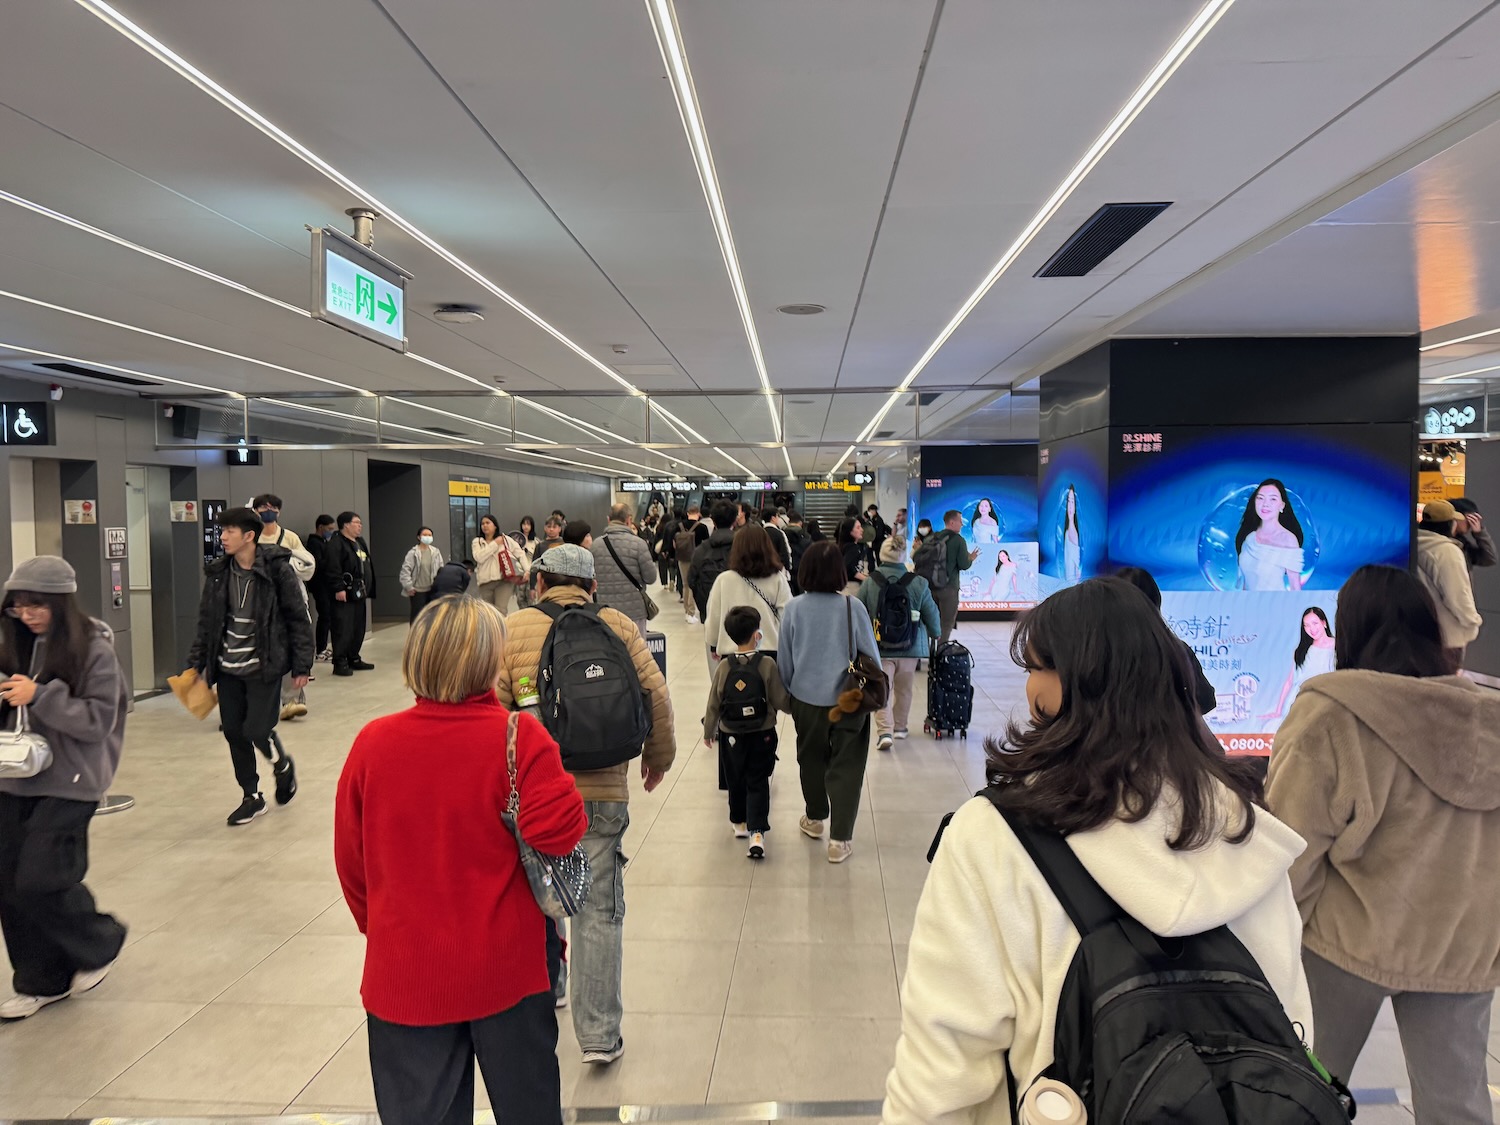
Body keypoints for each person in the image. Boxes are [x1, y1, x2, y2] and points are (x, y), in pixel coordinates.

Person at [883, 578, 1312, 1121]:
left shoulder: (995, 834)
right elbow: (1291, 1025)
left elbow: (940, 1072)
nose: (1029, 687)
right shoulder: (1243, 828)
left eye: (1035, 669)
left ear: (1074, 684)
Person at [336, 595, 587, 1125]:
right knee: (529, 1112)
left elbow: (352, 865)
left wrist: (386, 929)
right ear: (489, 662)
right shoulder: (519, 737)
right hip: (507, 971)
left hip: (405, 974)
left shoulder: (372, 744)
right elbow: (562, 834)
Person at [1266, 564, 1500, 1125]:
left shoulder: (1331, 713)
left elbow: (1293, 848)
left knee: (1303, 1093)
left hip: (1347, 939)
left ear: (1348, 630)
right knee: (1456, 1104)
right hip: (1462, 945)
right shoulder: (1488, 720)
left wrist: (1280, 939)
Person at [495, 545, 675, 1066]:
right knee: (597, 910)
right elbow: (656, 695)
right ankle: (598, 1036)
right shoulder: (617, 624)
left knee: (536, 894)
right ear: (592, 585)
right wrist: (657, 758)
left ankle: (551, 985)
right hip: (602, 791)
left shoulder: (513, 629)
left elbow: (494, 712)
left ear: (539, 583)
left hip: (534, 792)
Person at [0, 557, 128, 1020]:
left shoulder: (93, 649)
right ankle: (41, 980)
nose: (27, 615)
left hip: (73, 781)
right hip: (14, 777)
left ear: (61, 602)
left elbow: (98, 721)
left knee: (42, 878)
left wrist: (40, 696)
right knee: (10, 883)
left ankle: (100, 941)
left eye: (37, 605)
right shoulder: (12, 643)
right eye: (18, 606)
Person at [189, 507, 314, 825]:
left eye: (229, 531)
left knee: (257, 730)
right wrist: (195, 665)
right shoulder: (218, 573)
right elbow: (207, 623)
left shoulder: (277, 570)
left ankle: (282, 766)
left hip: (263, 665)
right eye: (222, 531)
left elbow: (297, 619)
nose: (223, 537)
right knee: (234, 732)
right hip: (227, 667)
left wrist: (301, 666)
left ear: (248, 536)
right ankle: (252, 796)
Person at [779, 541, 880, 864]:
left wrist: (791, 694)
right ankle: (840, 839)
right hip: (848, 700)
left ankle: (814, 817)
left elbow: (785, 661)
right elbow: (872, 658)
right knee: (847, 765)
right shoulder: (853, 607)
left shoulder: (794, 608)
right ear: (839, 572)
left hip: (806, 699)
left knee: (811, 759)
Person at [702, 605, 791, 860]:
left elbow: (713, 702)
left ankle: (739, 822)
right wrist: (796, 709)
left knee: (735, 777)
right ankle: (757, 833)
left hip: (731, 734)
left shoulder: (724, 667)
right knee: (758, 779)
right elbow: (780, 699)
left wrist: (708, 731)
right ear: (756, 635)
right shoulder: (767, 665)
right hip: (762, 732)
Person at [858, 538, 940, 752]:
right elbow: (931, 613)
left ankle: (885, 731)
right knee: (904, 689)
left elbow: (859, 612)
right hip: (910, 647)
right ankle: (900, 727)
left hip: (879, 647)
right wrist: (935, 633)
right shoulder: (918, 582)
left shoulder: (870, 582)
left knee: (883, 688)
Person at [1114, 566, 1217, 716]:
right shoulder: (1176, 650)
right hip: (1168, 729)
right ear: (1155, 601)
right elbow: (1205, 700)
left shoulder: (1097, 651)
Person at [253, 495, 315, 722]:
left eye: (273, 507)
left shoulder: (290, 537)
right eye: (263, 507)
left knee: (289, 645)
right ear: (255, 510)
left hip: (288, 597)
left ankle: (292, 700)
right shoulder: (250, 536)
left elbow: (307, 565)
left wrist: (284, 563)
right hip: (258, 601)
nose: (268, 511)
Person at [705, 525, 791, 662]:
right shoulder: (777, 579)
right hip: (770, 651)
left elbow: (714, 616)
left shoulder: (724, 579)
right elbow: (786, 616)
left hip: (732, 652)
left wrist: (714, 644)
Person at [1416, 497, 1483, 669]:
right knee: (1445, 679)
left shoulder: (1412, 545)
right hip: (1448, 636)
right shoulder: (1446, 551)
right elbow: (1457, 595)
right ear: (1449, 524)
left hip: (1418, 629)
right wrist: (1473, 622)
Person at [322, 511, 376, 678]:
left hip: (359, 592)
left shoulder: (359, 542)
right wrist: (338, 588)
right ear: (345, 525)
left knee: (357, 627)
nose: (360, 526)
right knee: (343, 628)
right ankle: (340, 662)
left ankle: (354, 657)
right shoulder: (336, 543)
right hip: (344, 593)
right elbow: (332, 568)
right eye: (356, 522)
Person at [1259, 607, 1336, 724]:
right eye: (1307, 625)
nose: (1312, 629)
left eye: (1315, 623)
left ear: (1324, 623)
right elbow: (1290, 681)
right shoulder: (1301, 651)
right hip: (1301, 700)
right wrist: (1278, 710)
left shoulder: (1338, 646)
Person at [592, 503, 658, 637]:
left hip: (605, 611)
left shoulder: (595, 545)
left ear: (608, 519)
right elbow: (651, 578)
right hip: (634, 611)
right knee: (636, 648)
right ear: (629, 520)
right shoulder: (639, 544)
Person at [1236, 479, 1306, 592]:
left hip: (1276, 601)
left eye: (1273, 499)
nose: (1265, 504)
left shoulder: (1288, 539)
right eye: (1260, 498)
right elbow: (1246, 584)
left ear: (1282, 505)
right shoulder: (1249, 538)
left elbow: (1295, 587)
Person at [925, 510, 980, 646]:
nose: (962, 524)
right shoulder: (958, 540)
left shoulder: (932, 538)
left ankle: (927, 649)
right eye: (960, 521)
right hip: (949, 588)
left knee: (930, 619)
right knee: (946, 622)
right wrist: (971, 558)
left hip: (930, 587)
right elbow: (964, 564)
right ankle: (941, 651)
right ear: (952, 522)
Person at [689, 501, 741, 638]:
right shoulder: (743, 547)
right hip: (741, 616)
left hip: (710, 613)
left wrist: (704, 608)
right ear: (734, 520)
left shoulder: (701, 550)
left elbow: (692, 580)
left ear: (713, 520)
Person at [473, 513, 524, 615]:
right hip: (485, 582)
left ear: (495, 525)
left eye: (488, 523)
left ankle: (501, 626)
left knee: (501, 611)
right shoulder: (477, 541)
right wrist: (495, 543)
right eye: (482, 524)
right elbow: (479, 557)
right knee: (488, 613)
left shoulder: (505, 539)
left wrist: (527, 570)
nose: (485, 525)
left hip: (504, 580)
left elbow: (520, 553)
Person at [306, 514, 338, 661]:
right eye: (329, 529)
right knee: (324, 616)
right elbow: (318, 564)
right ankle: (320, 650)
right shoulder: (314, 543)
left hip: (326, 585)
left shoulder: (325, 542)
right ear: (320, 527)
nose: (331, 531)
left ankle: (324, 648)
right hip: (320, 585)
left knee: (328, 616)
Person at [398, 526, 445, 624]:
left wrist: (439, 585)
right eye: (425, 535)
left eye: (429, 535)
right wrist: (408, 586)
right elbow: (405, 570)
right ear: (419, 537)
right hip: (417, 591)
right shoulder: (413, 553)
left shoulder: (436, 552)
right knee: (417, 617)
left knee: (432, 617)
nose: (427, 537)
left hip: (432, 590)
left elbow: (441, 569)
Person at [675, 505, 708, 624]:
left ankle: (686, 611)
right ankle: (691, 612)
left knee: (685, 584)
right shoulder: (702, 527)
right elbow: (706, 544)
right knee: (693, 584)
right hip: (696, 559)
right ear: (698, 514)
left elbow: (674, 543)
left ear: (688, 513)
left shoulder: (679, 526)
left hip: (682, 558)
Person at [1450, 497, 1497, 572]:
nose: (1471, 524)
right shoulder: (1441, 541)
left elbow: (1490, 559)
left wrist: (1480, 533)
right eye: (1470, 519)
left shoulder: (1463, 543)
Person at [836, 516, 874, 595]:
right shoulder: (852, 548)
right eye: (858, 527)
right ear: (850, 531)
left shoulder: (844, 546)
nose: (862, 530)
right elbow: (848, 568)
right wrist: (867, 579)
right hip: (852, 587)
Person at [783, 511, 811, 595]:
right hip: (800, 570)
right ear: (800, 523)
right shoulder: (806, 536)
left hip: (785, 571)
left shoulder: (781, 534)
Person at [1060, 484, 1082, 584]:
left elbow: (1077, 565)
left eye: (1072, 502)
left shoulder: (1073, 533)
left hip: (1072, 584)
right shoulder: (1066, 531)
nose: (1070, 506)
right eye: (1068, 501)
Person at [760, 506, 792, 573]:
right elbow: (785, 553)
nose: (778, 518)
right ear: (773, 518)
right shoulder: (779, 533)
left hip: (762, 570)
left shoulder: (759, 533)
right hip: (777, 570)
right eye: (777, 516)